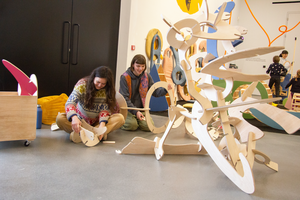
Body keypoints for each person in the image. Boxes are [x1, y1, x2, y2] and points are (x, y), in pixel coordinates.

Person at [56, 66, 125, 143]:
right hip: (80, 121)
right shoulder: (82, 84)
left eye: (103, 84)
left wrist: (102, 126)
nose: (99, 85)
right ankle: (96, 135)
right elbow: (70, 103)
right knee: (60, 119)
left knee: (120, 118)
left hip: (97, 123)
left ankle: (85, 134)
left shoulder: (108, 89)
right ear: (93, 78)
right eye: (98, 82)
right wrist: (74, 118)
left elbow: (105, 109)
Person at [119, 54, 172, 131]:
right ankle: (126, 121)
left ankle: (137, 121)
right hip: (128, 109)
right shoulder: (124, 77)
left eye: (143, 66)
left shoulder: (147, 76)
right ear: (133, 65)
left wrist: (165, 89)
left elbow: (155, 92)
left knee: (148, 126)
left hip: (141, 109)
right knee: (132, 125)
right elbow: (124, 98)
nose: (140, 69)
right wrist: (135, 111)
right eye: (138, 66)